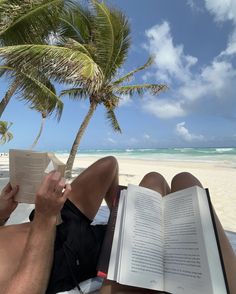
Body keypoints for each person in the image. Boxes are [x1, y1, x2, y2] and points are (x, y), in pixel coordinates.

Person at [0, 157, 235, 293]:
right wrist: (45, 219)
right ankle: (125, 226)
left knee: (109, 164)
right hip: (54, 252)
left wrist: (2, 215)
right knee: (178, 180)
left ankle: (120, 221)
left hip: (49, 224)